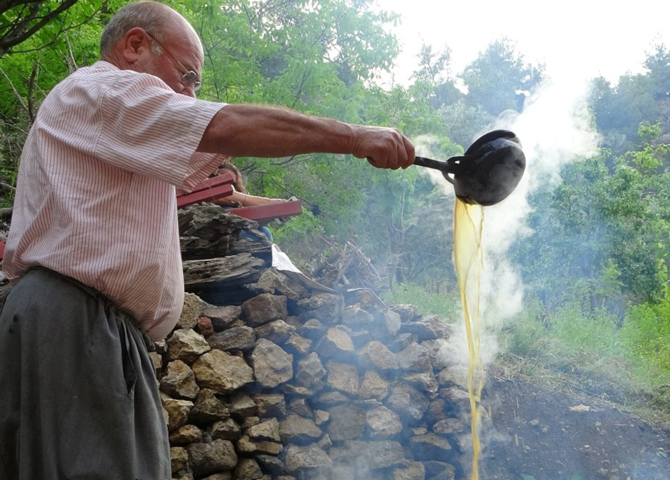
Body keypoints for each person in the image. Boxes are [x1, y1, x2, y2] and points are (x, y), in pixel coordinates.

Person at [0, 2, 414, 479]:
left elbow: (210, 148)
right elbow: (225, 127)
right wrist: (354, 137)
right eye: (188, 75)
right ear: (135, 46)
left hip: (84, 323)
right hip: (76, 321)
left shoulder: (113, 124)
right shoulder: (105, 90)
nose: (190, 93)